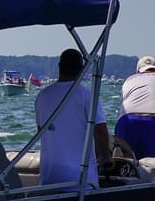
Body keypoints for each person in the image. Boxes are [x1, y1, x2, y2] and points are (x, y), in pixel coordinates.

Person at [33, 48, 110, 186]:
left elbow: (41, 131)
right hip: (81, 183)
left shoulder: (42, 96)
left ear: (59, 67)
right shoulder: (87, 95)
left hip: (49, 180)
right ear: (81, 69)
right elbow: (100, 131)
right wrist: (105, 158)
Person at [113, 55, 155, 160]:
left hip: (125, 122)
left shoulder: (128, 80)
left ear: (138, 71)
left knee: (130, 164)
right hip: (154, 121)